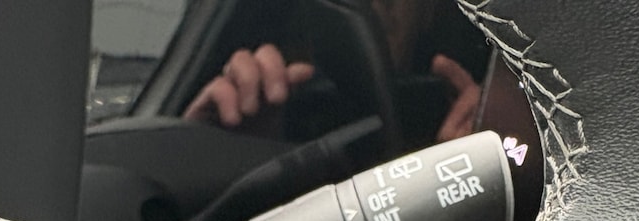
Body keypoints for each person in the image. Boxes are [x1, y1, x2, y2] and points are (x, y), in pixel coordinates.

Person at [183, 0, 484, 144]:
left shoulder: (477, 129)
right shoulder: (271, 106)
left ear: (429, 11)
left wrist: (475, 171)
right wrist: (208, 148)